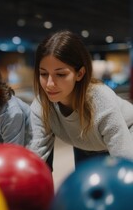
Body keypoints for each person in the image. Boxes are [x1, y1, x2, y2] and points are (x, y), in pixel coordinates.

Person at [29, 30, 133, 168]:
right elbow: (35, 155)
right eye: (43, 74)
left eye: (60, 74)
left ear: (80, 73)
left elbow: (125, 164)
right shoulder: (41, 105)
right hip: (86, 144)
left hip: (127, 136)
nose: (49, 84)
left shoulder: (101, 100)